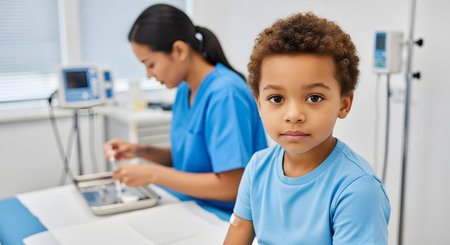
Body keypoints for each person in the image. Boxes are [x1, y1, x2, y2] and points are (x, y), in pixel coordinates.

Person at [224, 13, 391, 244]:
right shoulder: (257, 168)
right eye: (276, 98)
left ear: (344, 104)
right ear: (259, 104)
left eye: (314, 98)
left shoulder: (357, 189)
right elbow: (237, 235)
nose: (294, 115)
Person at [103, 4, 267, 218]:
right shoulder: (184, 90)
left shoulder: (225, 93)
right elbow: (189, 159)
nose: (149, 74)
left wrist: (153, 174)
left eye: (150, 64)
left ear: (179, 50)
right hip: (190, 206)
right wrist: (140, 151)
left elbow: (232, 186)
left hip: (226, 218)